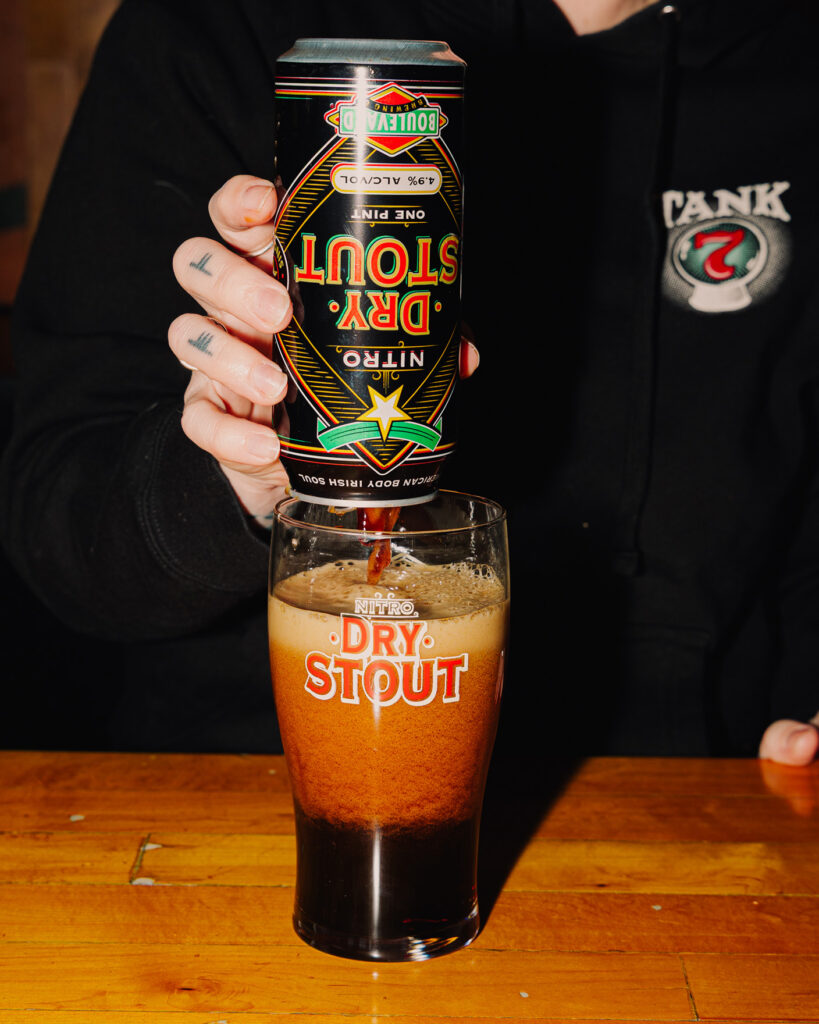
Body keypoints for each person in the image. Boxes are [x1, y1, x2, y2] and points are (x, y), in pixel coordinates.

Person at [1, 0, 817, 762]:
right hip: (248, 798)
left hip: (709, 792)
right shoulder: (218, 23)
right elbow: (58, 526)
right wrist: (235, 470)